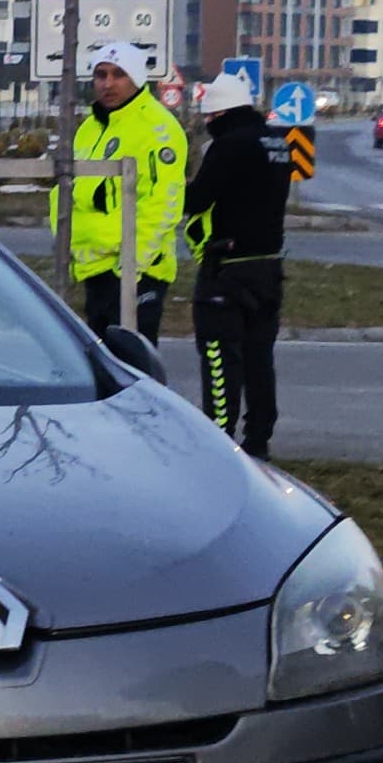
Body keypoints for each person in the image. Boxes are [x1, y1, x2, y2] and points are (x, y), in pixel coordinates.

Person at [181, 72, 289, 456]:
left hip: (228, 269)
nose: (208, 126)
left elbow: (196, 200)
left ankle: (220, 442)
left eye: (209, 118)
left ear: (220, 113)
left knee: (220, 357)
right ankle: (259, 440)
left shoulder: (229, 146)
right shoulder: (277, 142)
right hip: (269, 267)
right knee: (260, 359)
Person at [57, 41, 186, 339]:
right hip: (94, 270)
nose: (108, 83)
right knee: (104, 371)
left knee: (134, 368)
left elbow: (163, 204)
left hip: (136, 273)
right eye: (101, 75)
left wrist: (130, 269)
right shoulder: (90, 128)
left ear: (137, 78)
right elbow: (67, 193)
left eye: (119, 74)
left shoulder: (157, 128)